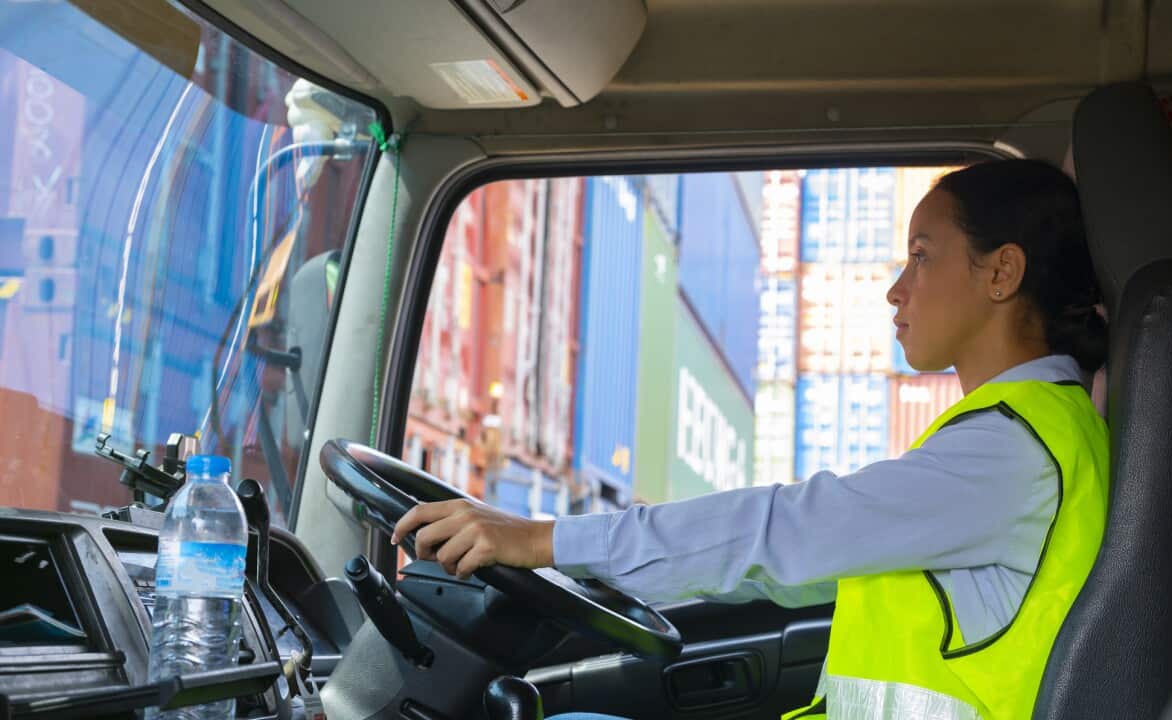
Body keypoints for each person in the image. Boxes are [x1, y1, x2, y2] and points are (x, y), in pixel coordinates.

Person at [391, 159, 1110, 720]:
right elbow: (790, 560)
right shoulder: (1027, 434)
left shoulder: (1008, 455)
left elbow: (780, 528)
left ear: (1002, 272)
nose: (897, 288)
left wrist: (543, 540)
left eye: (921, 255)